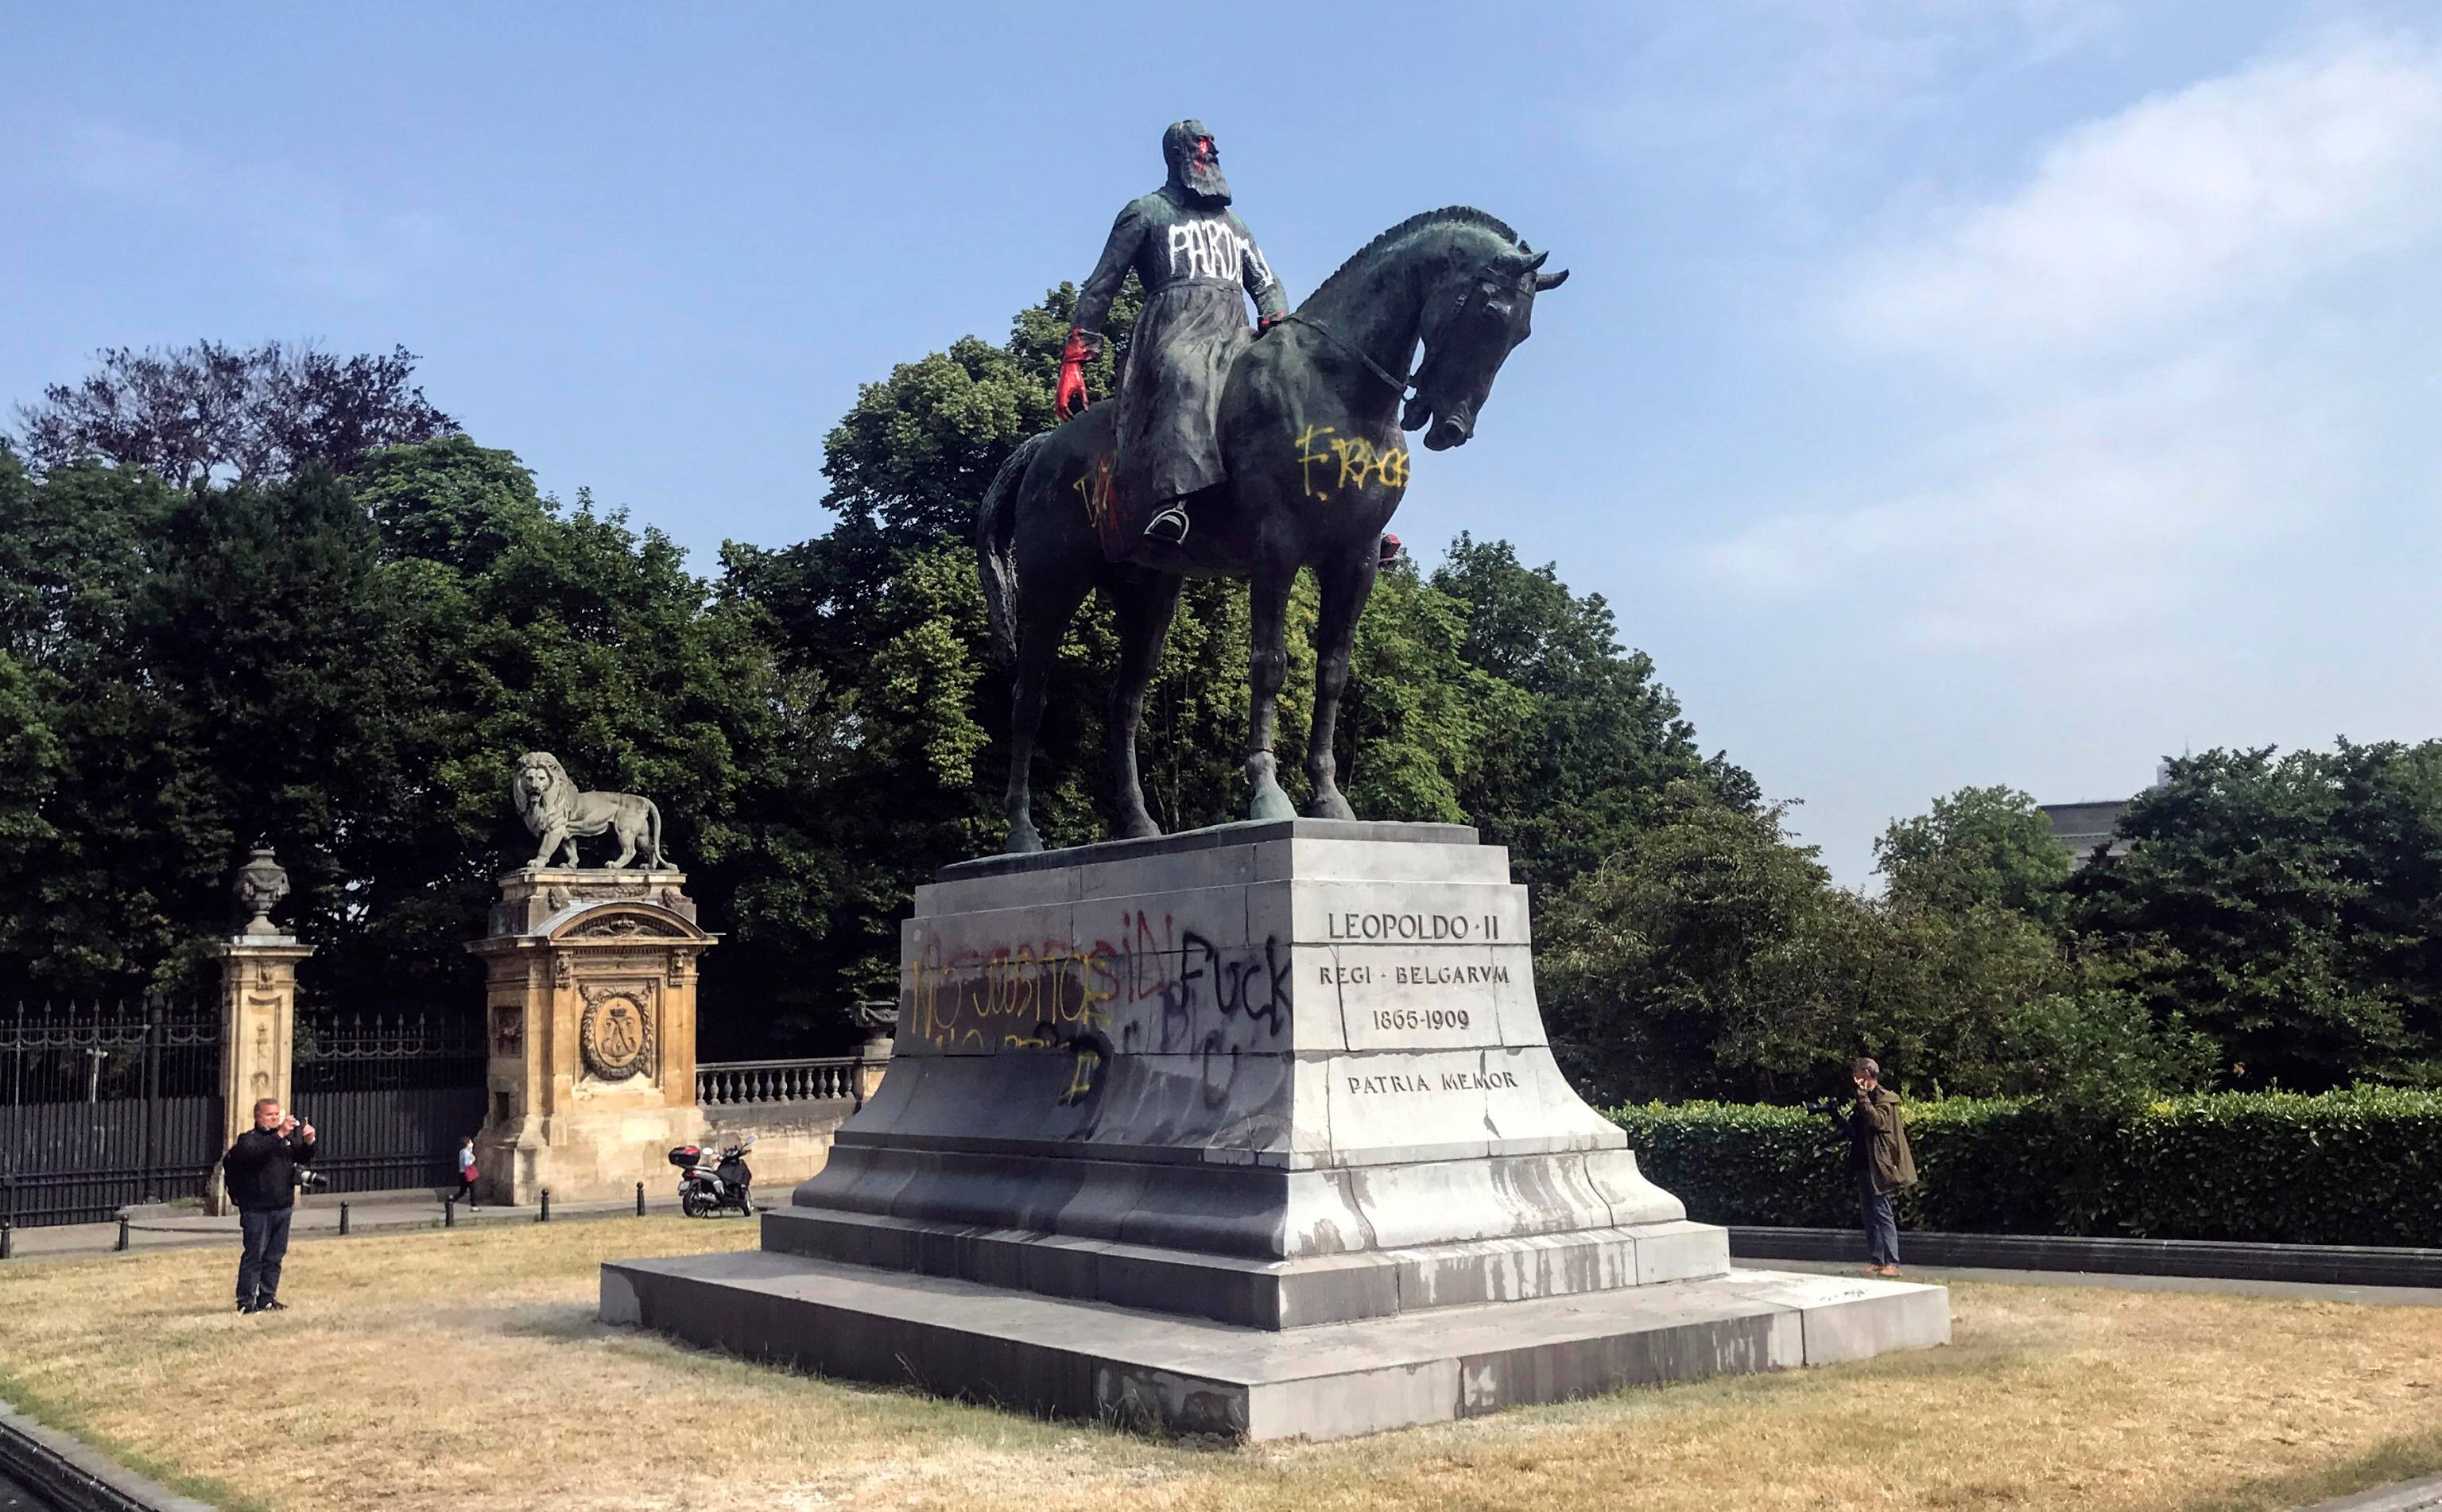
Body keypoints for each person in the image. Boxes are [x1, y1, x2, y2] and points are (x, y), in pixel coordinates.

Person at [1056, 119, 1291, 551]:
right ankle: (1173, 500)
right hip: (1174, 331)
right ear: (1180, 155)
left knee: (1287, 379)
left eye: (1214, 149)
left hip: (1233, 332)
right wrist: (1074, 360)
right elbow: (1102, 284)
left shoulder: (1233, 224)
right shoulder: (1145, 212)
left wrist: (1276, 319)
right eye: (1204, 147)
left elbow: (1265, 280)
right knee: (1188, 373)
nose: (1213, 155)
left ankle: (1325, 505)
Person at [221, 1097, 316, 1313]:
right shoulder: (248, 1140)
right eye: (269, 1115)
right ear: (258, 1117)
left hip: (282, 1206)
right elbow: (255, 1155)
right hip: (257, 1209)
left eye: (277, 1114)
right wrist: (280, 1134)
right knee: (254, 1255)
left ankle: (267, 1297)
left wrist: (309, 1142)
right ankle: (246, 1301)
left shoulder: (283, 1141)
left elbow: (301, 1158)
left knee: (275, 1256)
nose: (274, 1119)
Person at [1844, 1057, 1917, 1277]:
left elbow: (1877, 1121)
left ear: (1867, 1073)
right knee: (1869, 1213)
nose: (1854, 1077)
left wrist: (1863, 1096)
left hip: (1879, 1165)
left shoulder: (1885, 1099)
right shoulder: (1862, 1098)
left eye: (1857, 1072)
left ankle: (1893, 1262)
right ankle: (1877, 1258)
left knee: (1883, 1212)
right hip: (1863, 1163)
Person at [454, 1136, 479, 1209]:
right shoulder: (466, 1152)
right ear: (467, 1144)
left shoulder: (462, 1151)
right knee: (473, 1189)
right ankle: (473, 1205)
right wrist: (473, 1160)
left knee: (462, 1191)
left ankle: (451, 1200)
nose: (472, 1143)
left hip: (462, 1173)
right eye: (471, 1142)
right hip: (466, 1174)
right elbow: (467, 1164)